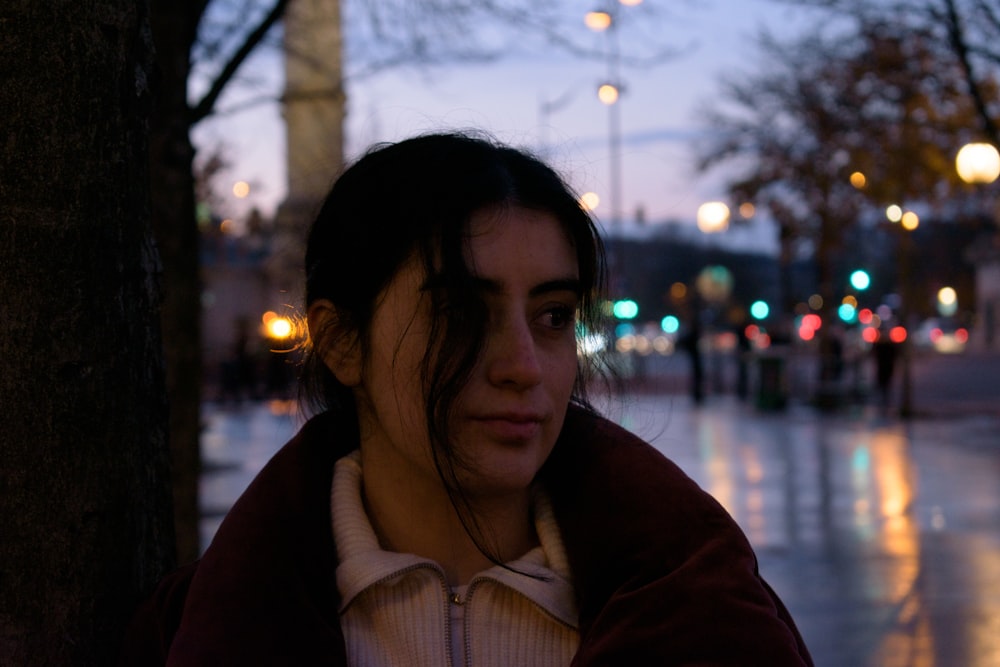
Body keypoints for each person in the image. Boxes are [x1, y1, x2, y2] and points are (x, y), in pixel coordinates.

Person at [120, 132, 813, 665]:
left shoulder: (711, 613)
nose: (521, 366)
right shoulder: (192, 629)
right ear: (340, 341)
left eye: (551, 316)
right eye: (460, 314)